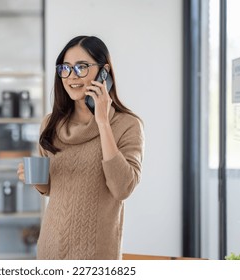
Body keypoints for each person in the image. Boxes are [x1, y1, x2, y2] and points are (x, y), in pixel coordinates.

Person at [17, 35, 145, 260]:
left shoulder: (127, 125)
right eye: (65, 68)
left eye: (81, 67)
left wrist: (103, 122)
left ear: (104, 72)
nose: (71, 76)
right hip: (50, 249)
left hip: (96, 256)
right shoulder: (50, 123)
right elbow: (51, 189)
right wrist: (36, 180)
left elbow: (122, 188)